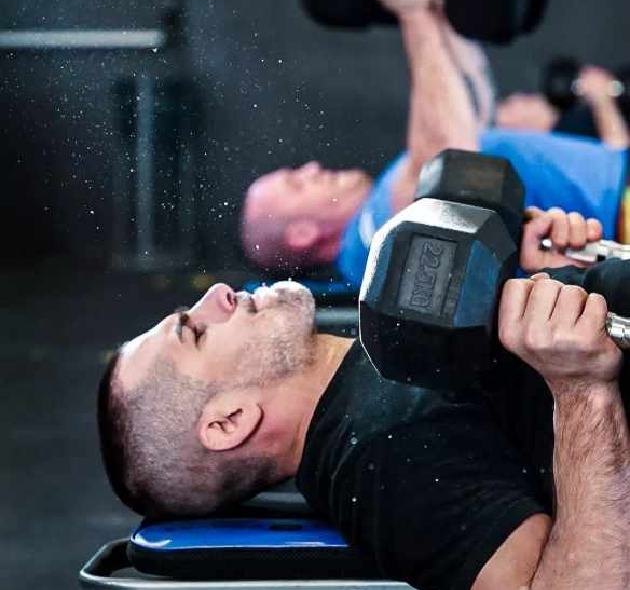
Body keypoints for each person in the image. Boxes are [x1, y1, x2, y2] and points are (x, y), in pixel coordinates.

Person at [98, 208, 630, 590]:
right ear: (229, 421)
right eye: (195, 332)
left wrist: (536, 276)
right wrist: (582, 390)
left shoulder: (382, 346)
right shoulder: (384, 458)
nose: (216, 295)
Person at [242, 0, 629, 279]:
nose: (310, 168)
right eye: (296, 183)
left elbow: (472, 117)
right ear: (302, 233)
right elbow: (457, 167)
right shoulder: (372, 237)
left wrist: (438, 12)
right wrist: (413, 14)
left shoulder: (379, 210)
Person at [496, 64, 630, 147]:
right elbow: (617, 152)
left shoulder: (566, 101)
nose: (515, 98)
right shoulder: (562, 145)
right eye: (508, 107)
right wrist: (602, 100)